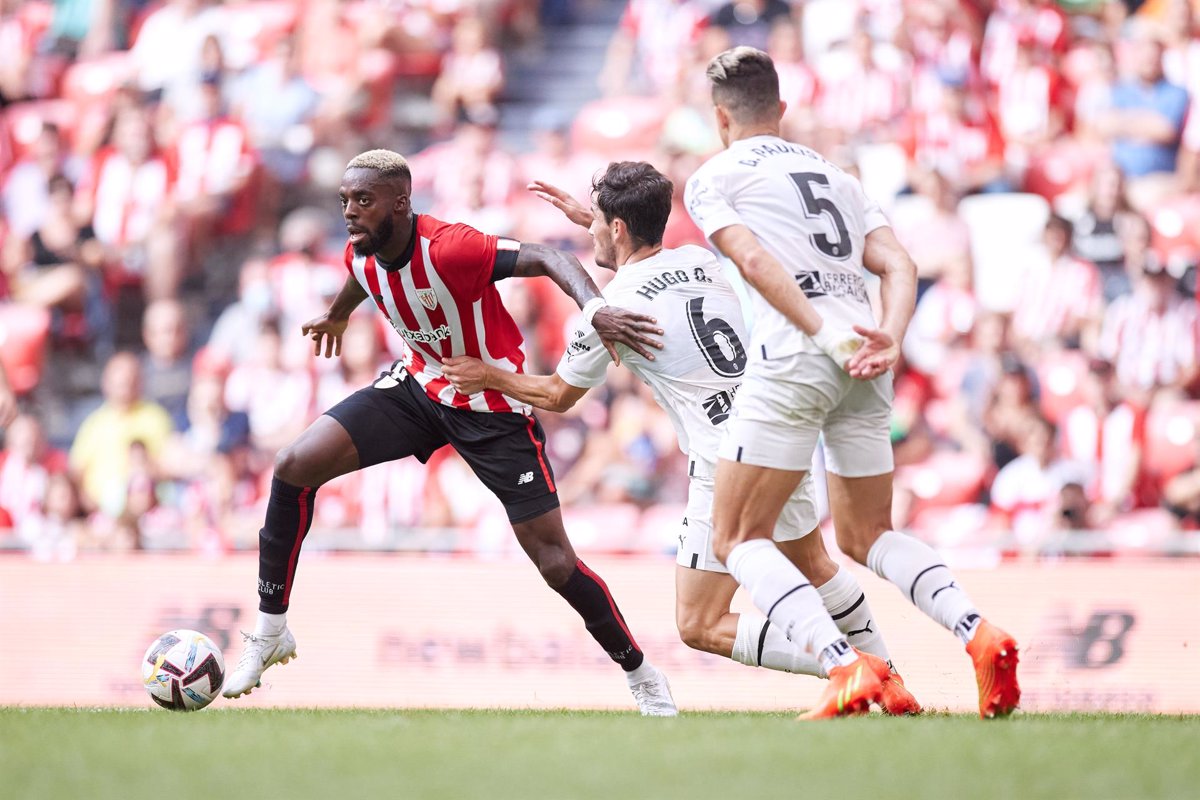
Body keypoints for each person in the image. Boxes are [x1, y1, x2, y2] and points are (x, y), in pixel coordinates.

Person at [442, 162, 921, 717]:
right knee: (815, 565)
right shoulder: (700, 260)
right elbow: (645, 262)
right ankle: (890, 679)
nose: (590, 227)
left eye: (596, 222)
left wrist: (487, 375)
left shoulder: (610, 312)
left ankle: (851, 669)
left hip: (725, 463)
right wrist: (591, 221)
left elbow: (555, 395)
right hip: (776, 433)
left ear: (616, 228)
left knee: (700, 624)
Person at [221, 149, 678, 716]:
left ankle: (640, 673)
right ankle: (270, 631)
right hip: (419, 390)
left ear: (402, 203)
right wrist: (339, 315)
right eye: (344, 201)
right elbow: (364, 277)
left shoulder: (452, 247)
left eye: (363, 200)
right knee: (293, 465)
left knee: (556, 563)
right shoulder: (360, 251)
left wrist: (595, 309)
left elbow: (544, 255)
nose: (350, 212)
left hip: (494, 406)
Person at [683, 47, 1020, 718]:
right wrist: (889, 334)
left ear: (720, 117)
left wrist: (818, 329)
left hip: (799, 356)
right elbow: (900, 261)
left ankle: (846, 668)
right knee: (866, 536)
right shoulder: (836, 174)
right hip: (867, 353)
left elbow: (750, 258)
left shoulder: (713, 176)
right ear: (781, 109)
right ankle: (979, 632)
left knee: (737, 539)